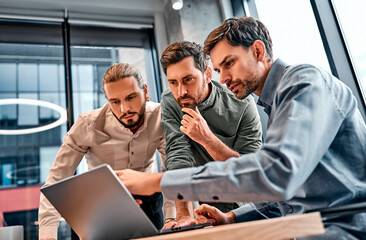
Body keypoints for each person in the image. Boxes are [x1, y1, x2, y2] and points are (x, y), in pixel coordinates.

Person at [116, 17, 366, 239]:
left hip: (346, 229)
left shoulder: (304, 82)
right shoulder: (275, 104)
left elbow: (276, 174)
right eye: (219, 69)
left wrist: (158, 182)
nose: (222, 78)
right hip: (306, 229)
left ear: (258, 50)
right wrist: (233, 218)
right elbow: (284, 197)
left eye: (229, 63)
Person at [38, 63, 169, 240]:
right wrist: (47, 235)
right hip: (99, 201)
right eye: (115, 101)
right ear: (107, 100)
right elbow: (56, 178)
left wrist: (172, 218)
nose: (125, 109)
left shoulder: (161, 116)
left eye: (131, 97)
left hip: (147, 198)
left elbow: (172, 169)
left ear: (145, 91)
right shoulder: (87, 124)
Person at [159, 41, 264, 228]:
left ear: (207, 74)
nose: (181, 91)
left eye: (188, 79)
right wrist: (183, 216)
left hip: (248, 202)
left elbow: (250, 170)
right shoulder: (171, 101)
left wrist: (207, 139)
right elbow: (178, 157)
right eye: (173, 82)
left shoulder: (243, 103)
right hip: (207, 202)